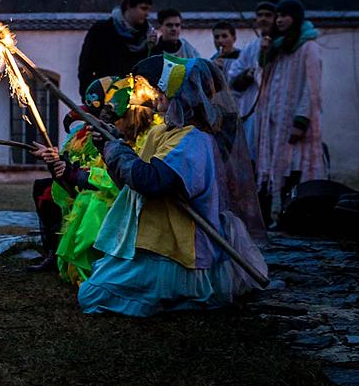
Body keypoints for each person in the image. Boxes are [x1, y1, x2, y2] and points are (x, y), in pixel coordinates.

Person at [77, 55, 266, 316]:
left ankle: (182, 298)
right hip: (152, 238)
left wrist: (116, 149)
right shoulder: (162, 131)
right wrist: (109, 145)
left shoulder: (195, 140)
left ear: (183, 96)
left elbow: (152, 181)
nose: (156, 96)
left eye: (162, 92)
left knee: (94, 295)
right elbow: (131, 184)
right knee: (92, 290)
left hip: (179, 246)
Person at [31, 75, 158, 284]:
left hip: (134, 202)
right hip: (104, 191)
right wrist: (57, 163)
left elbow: (120, 177)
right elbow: (77, 167)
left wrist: (75, 174)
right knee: (49, 190)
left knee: (93, 204)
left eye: (114, 115)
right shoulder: (89, 135)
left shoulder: (150, 137)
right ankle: (56, 254)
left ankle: (101, 267)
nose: (105, 121)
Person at [254, 0, 324, 224]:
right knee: (276, 169)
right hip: (275, 123)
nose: (280, 19)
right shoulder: (278, 47)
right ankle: (277, 216)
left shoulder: (308, 46)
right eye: (278, 15)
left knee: (295, 168)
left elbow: (311, 88)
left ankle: (297, 216)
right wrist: (265, 54)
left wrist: (301, 121)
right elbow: (264, 78)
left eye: (285, 15)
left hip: (294, 123)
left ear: (295, 18)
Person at [77, 0, 153, 97]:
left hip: (136, 99)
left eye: (148, 10)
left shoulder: (147, 37)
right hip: (105, 95)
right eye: (143, 8)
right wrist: (90, 96)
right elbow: (86, 67)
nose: (147, 14)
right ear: (129, 6)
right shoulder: (102, 31)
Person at [227, 2, 276, 155]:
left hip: (275, 106)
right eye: (260, 15)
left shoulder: (282, 45)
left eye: (268, 15)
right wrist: (247, 75)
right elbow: (234, 76)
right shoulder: (251, 47)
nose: (263, 19)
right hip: (253, 109)